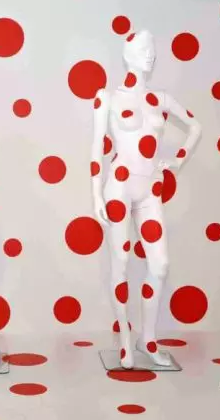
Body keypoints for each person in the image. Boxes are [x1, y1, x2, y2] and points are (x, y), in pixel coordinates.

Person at [91, 30, 201, 369]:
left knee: (160, 264)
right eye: (142, 49)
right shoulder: (107, 97)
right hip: (119, 188)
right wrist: (95, 193)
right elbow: (96, 148)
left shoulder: (160, 99)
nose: (150, 54)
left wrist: (177, 161)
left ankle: (147, 338)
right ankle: (125, 337)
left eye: (152, 48)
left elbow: (195, 126)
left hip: (151, 188)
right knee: (121, 261)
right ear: (127, 55)